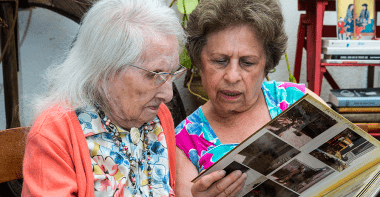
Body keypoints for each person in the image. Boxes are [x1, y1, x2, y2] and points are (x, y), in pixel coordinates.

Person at [22, 0, 186, 196]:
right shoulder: (55, 134)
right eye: (154, 74)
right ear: (105, 71)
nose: (167, 95)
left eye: (171, 73)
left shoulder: (159, 117)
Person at [174, 0, 326, 196]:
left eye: (247, 63)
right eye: (220, 61)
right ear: (199, 62)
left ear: (266, 65)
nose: (232, 76)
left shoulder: (296, 101)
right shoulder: (185, 141)